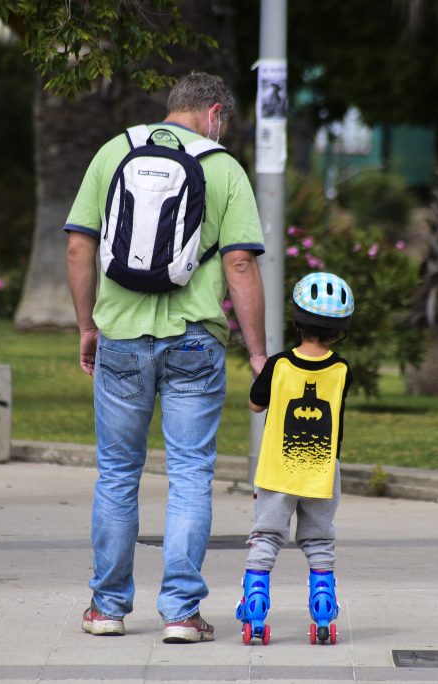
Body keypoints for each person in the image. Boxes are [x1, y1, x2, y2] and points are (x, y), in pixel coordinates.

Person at [64, 72, 267, 643]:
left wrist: (87, 326)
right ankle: (180, 612)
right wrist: (257, 353)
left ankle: (107, 608)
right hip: (195, 344)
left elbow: (79, 245)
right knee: (189, 476)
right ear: (215, 115)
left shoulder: (114, 152)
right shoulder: (223, 167)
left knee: (118, 476)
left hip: (121, 340)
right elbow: (241, 265)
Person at [236, 272, 355, 646]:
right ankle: (323, 609)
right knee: (320, 541)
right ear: (340, 331)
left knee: (267, 537)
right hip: (322, 473)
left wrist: (266, 378)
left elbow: (256, 404)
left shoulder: (279, 365)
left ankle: (255, 607)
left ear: (296, 321)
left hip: (277, 473)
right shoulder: (342, 370)